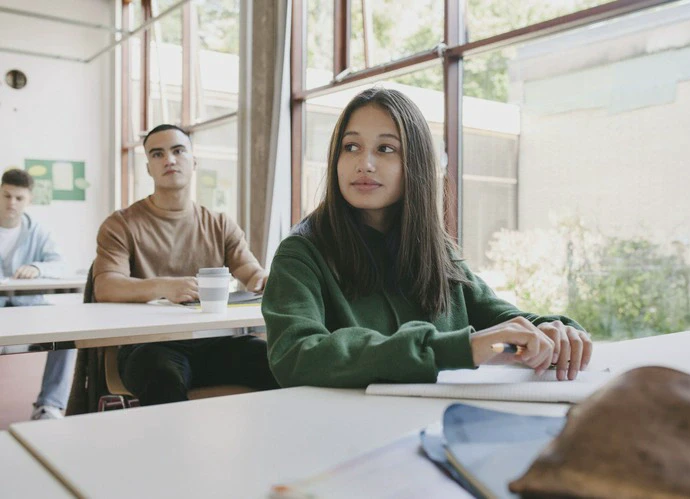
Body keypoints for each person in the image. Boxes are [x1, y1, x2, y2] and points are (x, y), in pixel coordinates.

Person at [262, 88, 592, 388]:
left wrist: (551, 331)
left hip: (442, 424)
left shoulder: (437, 250)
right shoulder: (301, 254)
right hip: (345, 435)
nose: (364, 163)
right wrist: (459, 349)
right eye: (351, 147)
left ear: (415, 164)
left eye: (385, 149)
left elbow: (499, 322)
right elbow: (295, 356)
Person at [93, 124, 278, 405]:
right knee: (163, 380)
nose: (169, 159)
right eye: (158, 154)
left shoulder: (219, 224)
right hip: (150, 345)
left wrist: (263, 279)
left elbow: (251, 272)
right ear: (148, 169)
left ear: (193, 161)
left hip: (216, 342)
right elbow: (106, 285)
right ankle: (171, 450)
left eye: (178, 151)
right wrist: (165, 286)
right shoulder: (121, 224)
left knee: (279, 364)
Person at [0, 168, 75, 420]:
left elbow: (61, 265)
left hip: (29, 307)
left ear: (29, 199)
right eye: (6, 195)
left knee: (67, 333)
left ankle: (49, 404)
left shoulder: (39, 232)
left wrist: (37, 267)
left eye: (19, 198)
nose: (12, 203)